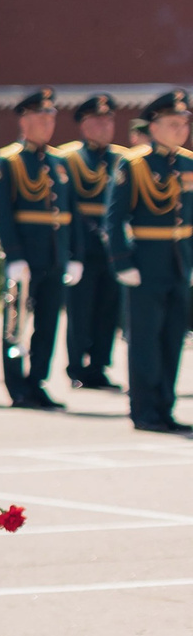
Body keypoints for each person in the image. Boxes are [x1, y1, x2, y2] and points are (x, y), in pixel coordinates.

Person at [108, 90, 193, 433]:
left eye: (184, 124)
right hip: (145, 263)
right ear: (154, 126)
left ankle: (165, 406)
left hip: (180, 263)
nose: (180, 130)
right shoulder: (135, 163)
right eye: (173, 124)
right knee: (145, 339)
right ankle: (144, 410)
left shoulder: (188, 163)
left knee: (173, 338)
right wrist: (122, 262)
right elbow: (114, 219)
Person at [0, 89, 76, 410]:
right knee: (15, 325)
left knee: (48, 323)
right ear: (24, 119)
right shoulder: (9, 161)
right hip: (25, 257)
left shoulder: (58, 162)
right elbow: (3, 213)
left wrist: (73, 254)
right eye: (41, 116)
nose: (47, 123)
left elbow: (71, 214)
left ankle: (37, 381)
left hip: (55, 256)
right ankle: (18, 387)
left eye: (51, 116)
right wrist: (14, 255)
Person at [60, 93, 124, 391]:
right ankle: (76, 366)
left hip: (112, 246)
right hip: (82, 244)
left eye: (108, 120)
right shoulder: (69, 158)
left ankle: (98, 365)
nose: (104, 126)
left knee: (108, 308)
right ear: (83, 125)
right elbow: (67, 204)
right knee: (80, 308)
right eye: (97, 121)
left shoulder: (122, 159)